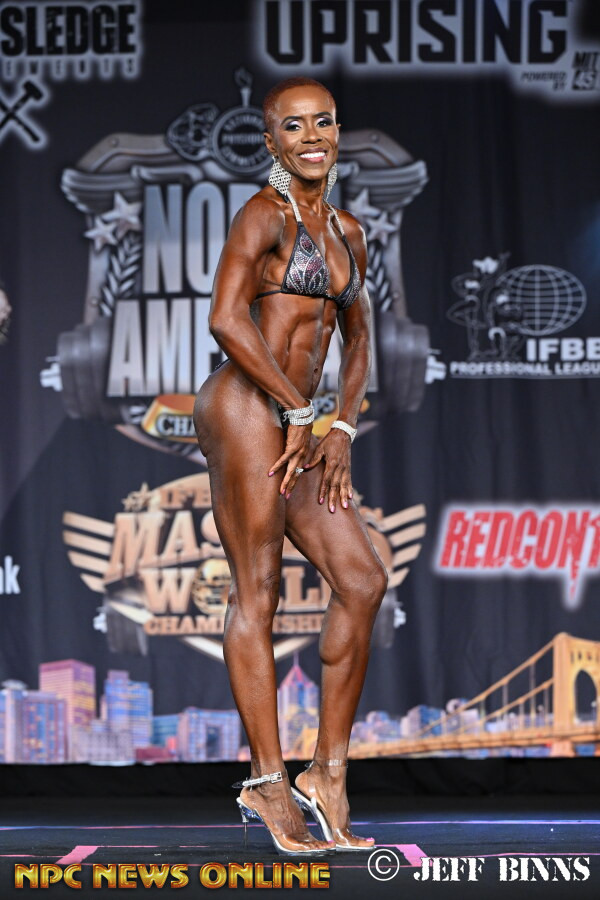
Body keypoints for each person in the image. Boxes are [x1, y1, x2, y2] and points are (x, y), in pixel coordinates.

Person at [193, 77, 388, 855]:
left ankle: (327, 774)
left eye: (324, 123)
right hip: (245, 404)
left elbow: (359, 337)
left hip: (304, 422)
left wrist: (340, 423)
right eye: (295, 126)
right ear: (271, 139)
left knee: (363, 581)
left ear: (338, 132)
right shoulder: (263, 215)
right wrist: (296, 407)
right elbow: (225, 318)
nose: (313, 137)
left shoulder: (347, 231)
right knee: (261, 588)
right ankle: (267, 781)